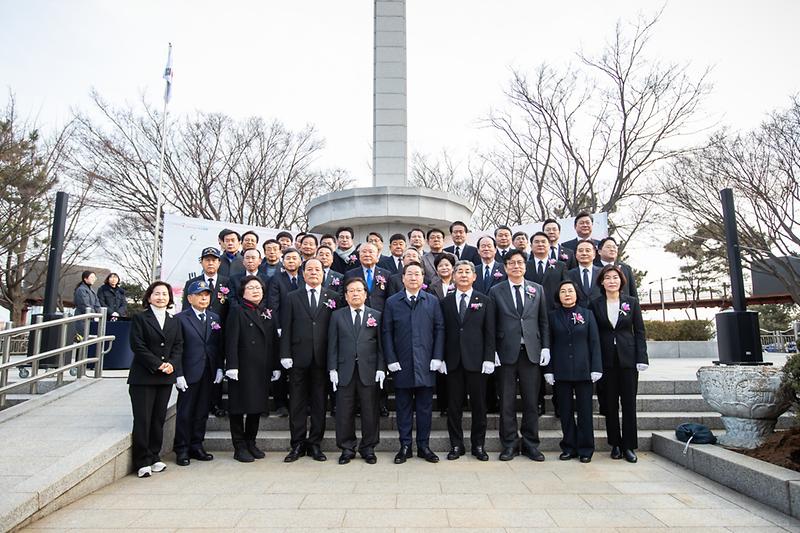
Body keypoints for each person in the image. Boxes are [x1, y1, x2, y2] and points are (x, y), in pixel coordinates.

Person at [490, 249, 550, 462]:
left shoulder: (537, 289)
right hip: (505, 353)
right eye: (512, 263)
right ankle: (509, 444)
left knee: (531, 402)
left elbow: (543, 320)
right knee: (506, 402)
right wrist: (492, 351)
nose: (516, 266)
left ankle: (531, 444)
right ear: (505, 267)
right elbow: (491, 323)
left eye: (520, 263)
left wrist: (545, 347)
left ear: (525, 266)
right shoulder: (496, 290)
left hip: (531, 353)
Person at [382, 262, 445, 464]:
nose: (413, 278)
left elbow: (439, 330)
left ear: (423, 278)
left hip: (426, 363)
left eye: (417, 274)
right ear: (403, 278)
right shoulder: (392, 302)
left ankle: (424, 446)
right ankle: (405, 446)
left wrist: (437, 356)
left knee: (425, 408)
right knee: (403, 407)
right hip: (402, 363)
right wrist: (391, 359)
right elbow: (386, 332)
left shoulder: (432, 301)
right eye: (409, 274)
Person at [280, 258, 339, 463]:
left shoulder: (333, 296)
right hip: (298, 358)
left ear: (323, 273)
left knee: (319, 403)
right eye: (310, 269)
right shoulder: (292, 297)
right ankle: (297, 444)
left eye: (318, 269)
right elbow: (286, 327)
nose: (314, 272)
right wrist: (285, 354)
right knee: (296, 403)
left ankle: (315, 443)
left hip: (322, 359)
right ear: (303, 273)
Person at [590, 265, 648, 463]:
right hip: (606, 360)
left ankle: (629, 445)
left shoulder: (631, 303)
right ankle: (614, 443)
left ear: (621, 281)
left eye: (615, 277)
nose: (612, 281)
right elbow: (593, 335)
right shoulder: (595, 304)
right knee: (610, 403)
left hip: (628, 359)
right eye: (608, 278)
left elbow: (639, 331)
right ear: (602, 282)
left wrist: (642, 357)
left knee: (629, 403)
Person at [128, 281, 183, 478]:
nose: (161, 297)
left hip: (165, 378)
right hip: (143, 377)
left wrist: (171, 364)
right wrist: (157, 364)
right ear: (149, 296)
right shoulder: (140, 318)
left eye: (165, 294)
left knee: (158, 419)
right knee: (143, 419)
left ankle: (154, 456)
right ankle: (142, 460)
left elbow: (178, 346)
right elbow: (137, 345)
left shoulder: (173, 320)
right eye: (157, 293)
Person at [327, 277, 386, 464]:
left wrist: (381, 368)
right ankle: (347, 448)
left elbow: (381, 346)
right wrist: (332, 368)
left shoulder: (375, 315)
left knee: (370, 411)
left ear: (365, 294)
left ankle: (368, 447)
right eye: (351, 290)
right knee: (344, 411)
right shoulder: (337, 315)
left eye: (359, 290)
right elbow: (332, 344)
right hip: (344, 370)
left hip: (368, 370)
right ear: (345, 295)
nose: (355, 293)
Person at [441, 260, 495, 461]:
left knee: (479, 406)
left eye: (467, 272)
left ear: (474, 276)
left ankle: (478, 445)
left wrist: (489, 358)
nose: (463, 275)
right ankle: (456, 444)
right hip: (453, 361)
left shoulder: (485, 300)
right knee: (453, 407)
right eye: (459, 272)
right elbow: (442, 331)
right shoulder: (445, 302)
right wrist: (441, 357)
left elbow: (490, 332)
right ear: (453, 276)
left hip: (477, 361)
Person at [545, 280, 602, 463]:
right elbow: (549, 344)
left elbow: (594, 342)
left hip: (584, 370)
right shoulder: (552, 316)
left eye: (570, 291)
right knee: (565, 411)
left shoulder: (587, 314)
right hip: (561, 371)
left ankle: (586, 448)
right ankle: (569, 446)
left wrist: (596, 368)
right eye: (563, 291)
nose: (567, 294)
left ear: (577, 294)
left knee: (585, 412)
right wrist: (549, 370)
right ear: (558, 295)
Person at [225, 275, 280, 462]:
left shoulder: (266, 312)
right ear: (243, 292)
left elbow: (273, 342)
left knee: (256, 407)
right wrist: (231, 365)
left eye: (258, 287)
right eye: (251, 287)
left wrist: (275, 366)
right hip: (242, 367)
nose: (255, 290)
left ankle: (251, 442)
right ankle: (239, 446)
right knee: (239, 408)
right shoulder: (237, 311)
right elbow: (231, 340)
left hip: (261, 368)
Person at [173, 280, 222, 466]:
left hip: (208, 371)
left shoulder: (214, 318)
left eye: (207, 295)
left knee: (202, 412)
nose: (204, 298)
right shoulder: (180, 319)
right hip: (189, 373)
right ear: (190, 297)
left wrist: (219, 367)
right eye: (200, 294)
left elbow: (216, 346)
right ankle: (182, 448)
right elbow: (176, 349)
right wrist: (178, 374)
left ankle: (197, 445)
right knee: (185, 412)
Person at [524, 231, 567, 416]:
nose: (540, 244)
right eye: (536, 242)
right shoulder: (524, 266)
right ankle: (538, 402)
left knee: (556, 360)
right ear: (531, 245)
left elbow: (566, 289)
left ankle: (559, 404)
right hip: (530, 321)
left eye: (544, 242)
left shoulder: (560, 265)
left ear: (550, 245)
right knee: (534, 364)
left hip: (554, 318)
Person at [427, 252, 457, 417]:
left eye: (447, 265)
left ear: (453, 268)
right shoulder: (432, 287)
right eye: (441, 266)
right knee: (441, 370)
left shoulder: (460, 283)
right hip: (437, 331)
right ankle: (444, 405)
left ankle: (457, 403)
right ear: (436, 269)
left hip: (456, 332)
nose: (444, 268)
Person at [344, 243, 392, 313]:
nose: (367, 254)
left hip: (381, 315)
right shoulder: (350, 274)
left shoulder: (386, 274)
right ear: (359, 256)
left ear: (377, 256)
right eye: (364, 252)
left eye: (370, 252)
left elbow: (389, 298)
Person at [567, 240, 602, 307]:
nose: (584, 253)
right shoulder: (569, 274)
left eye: (588, 250)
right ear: (576, 255)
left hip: (598, 312)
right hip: (578, 313)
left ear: (594, 254)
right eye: (580, 251)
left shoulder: (602, 273)